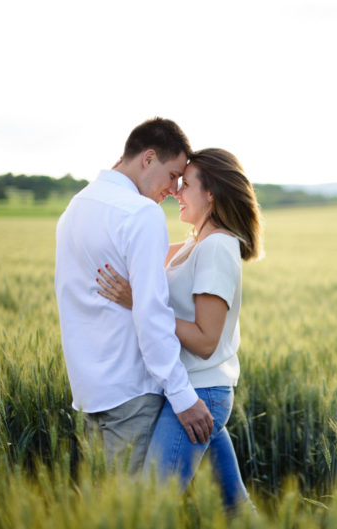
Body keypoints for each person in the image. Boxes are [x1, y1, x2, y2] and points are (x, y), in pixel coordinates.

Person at [96, 147, 262, 512]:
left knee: (152, 506)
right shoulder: (194, 243)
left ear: (211, 194)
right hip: (195, 389)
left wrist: (139, 303)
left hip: (201, 392)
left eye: (185, 184)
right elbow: (143, 252)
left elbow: (205, 340)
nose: (176, 192)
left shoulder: (216, 248)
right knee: (234, 506)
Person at [54, 117, 213, 475]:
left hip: (88, 391)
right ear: (149, 158)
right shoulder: (142, 214)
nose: (174, 190)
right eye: (173, 175)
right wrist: (184, 396)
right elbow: (152, 315)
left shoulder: (75, 208)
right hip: (132, 392)